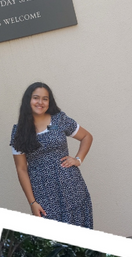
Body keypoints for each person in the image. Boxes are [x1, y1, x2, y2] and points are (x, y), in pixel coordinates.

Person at [10, 81, 94, 228]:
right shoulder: (19, 132)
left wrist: (78, 159)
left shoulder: (59, 119)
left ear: (49, 101)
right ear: (28, 100)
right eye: (36, 98)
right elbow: (21, 169)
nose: (40, 102)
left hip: (72, 186)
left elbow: (87, 137)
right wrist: (32, 202)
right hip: (43, 194)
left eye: (45, 98)